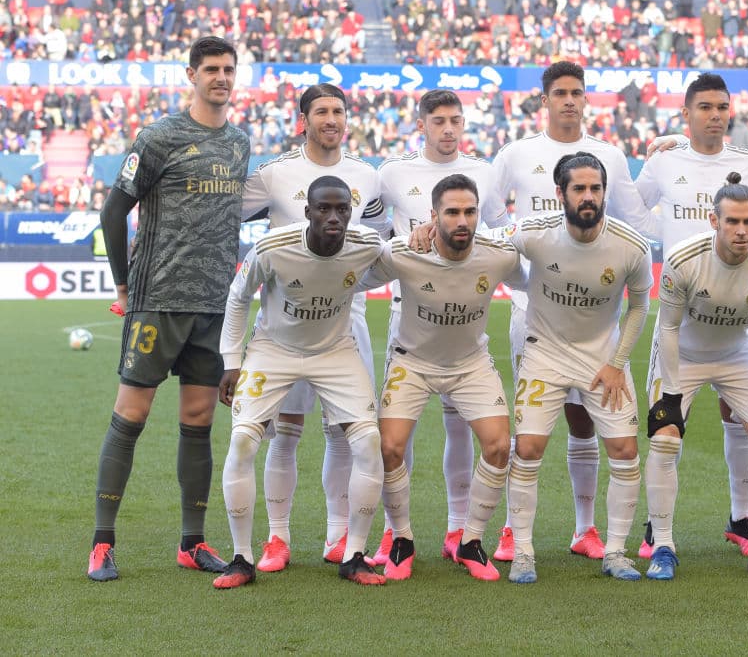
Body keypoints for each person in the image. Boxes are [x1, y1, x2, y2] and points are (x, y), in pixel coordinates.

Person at [88, 36, 250, 582]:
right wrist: (124, 287)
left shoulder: (239, 144)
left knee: (199, 420)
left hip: (212, 307)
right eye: (211, 69)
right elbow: (113, 213)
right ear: (191, 75)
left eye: (228, 69)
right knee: (130, 415)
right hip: (157, 302)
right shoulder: (158, 138)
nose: (221, 77)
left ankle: (192, 542)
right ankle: (103, 542)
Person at [489, 61, 657, 562]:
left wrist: (666, 161)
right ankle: (511, 531)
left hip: (596, 318)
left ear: (586, 100)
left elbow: (635, 216)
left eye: (577, 93)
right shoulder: (517, 153)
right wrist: (527, 279)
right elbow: (496, 219)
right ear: (544, 100)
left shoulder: (610, 154)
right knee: (532, 430)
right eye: (559, 92)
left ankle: (587, 529)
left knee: (587, 421)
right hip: (534, 313)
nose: (569, 100)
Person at [635, 72, 748, 560]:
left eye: (722, 106)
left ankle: (743, 518)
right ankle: (657, 530)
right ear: (686, 113)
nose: (715, 115)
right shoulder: (664, 162)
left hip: (736, 324)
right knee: (667, 432)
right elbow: (633, 215)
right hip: (681, 317)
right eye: (704, 107)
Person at [240, 83, 387, 573]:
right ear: (303, 119)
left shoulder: (367, 176)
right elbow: (227, 214)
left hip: (348, 319)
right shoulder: (276, 174)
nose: (332, 119)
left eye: (338, 111)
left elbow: (379, 241)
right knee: (285, 432)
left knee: (345, 433)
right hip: (284, 323)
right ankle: (277, 539)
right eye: (321, 111)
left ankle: (337, 534)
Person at [214, 176, 386, 588]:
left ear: (350, 211)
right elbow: (239, 297)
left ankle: (354, 555)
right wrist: (231, 362)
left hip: (335, 352)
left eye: (341, 209)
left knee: (368, 442)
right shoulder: (274, 247)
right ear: (307, 212)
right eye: (323, 209)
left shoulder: (365, 245)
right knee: (242, 441)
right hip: (274, 350)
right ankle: (241, 558)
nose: (333, 217)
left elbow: (397, 260)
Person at [359, 174, 525, 581]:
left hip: (470, 363)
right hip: (411, 362)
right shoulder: (403, 252)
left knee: (500, 446)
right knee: (390, 448)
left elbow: (537, 282)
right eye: (452, 212)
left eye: (470, 211)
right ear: (433, 216)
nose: (462, 220)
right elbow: (353, 279)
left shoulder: (498, 256)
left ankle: (470, 542)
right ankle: (402, 539)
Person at [370, 89, 507, 565]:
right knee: (394, 438)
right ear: (422, 124)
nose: (449, 129)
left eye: (456, 120)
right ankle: (396, 533)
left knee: (461, 430)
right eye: (440, 121)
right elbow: (371, 232)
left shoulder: (483, 172)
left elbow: (499, 230)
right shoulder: (392, 172)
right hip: (408, 318)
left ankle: (458, 530)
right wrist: (399, 242)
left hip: (464, 321)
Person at [504, 152, 653, 584]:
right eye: (579, 189)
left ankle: (616, 552)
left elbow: (641, 305)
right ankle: (525, 553)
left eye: (595, 188)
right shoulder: (534, 233)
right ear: (560, 194)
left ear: (604, 192)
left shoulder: (630, 245)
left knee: (625, 451)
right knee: (528, 448)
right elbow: (486, 240)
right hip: (544, 355)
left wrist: (617, 364)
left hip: (601, 361)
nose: (588, 197)